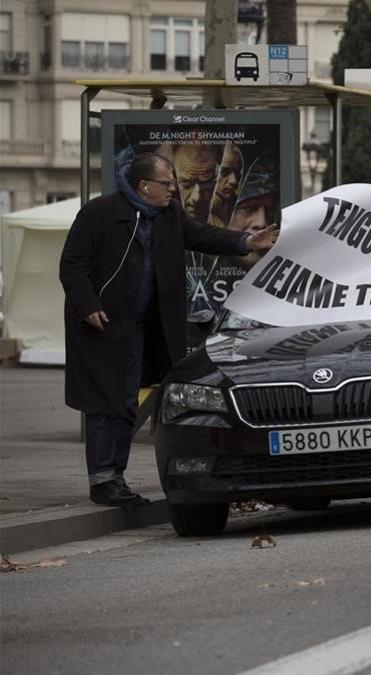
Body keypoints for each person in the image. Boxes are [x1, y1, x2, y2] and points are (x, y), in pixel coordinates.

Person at [59, 152, 278, 505]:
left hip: (145, 327)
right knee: (105, 403)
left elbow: (201, 235)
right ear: (145, 186)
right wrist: (88, 305)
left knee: (127, 402)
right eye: (167, 183)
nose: (173, 189)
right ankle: (104, 481)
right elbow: (72, 266)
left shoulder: (168, 214)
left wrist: (245, 242)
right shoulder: (99, 213)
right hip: (103, 328)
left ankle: (114, 476)